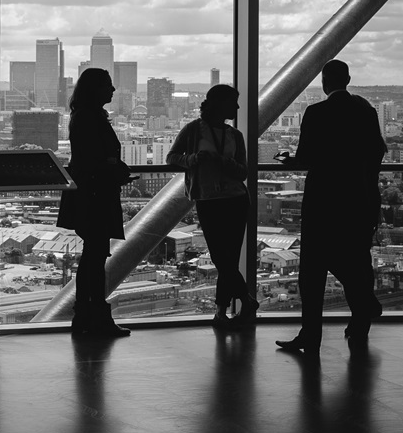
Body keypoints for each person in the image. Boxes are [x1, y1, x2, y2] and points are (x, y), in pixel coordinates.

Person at [276, 59, 388, 352]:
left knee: (313, 270)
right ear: (348, 79)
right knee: (356, 257)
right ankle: (361, 316)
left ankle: (311, 335)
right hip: (359, 200)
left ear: (325, 83)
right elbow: (377, 152)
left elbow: (306, 158)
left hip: (323, 201)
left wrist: (289, 161)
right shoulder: (366, 111)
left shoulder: (316, 112)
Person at [166, 84, 256, 328]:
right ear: (220, 104)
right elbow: (172, 157)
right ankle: (244, 301)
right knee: (222, 258)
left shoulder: (234, 135)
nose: (237, 107)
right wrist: (193, 159)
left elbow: (242, 171)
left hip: (233, 200)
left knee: (226, 259)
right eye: (233, 102)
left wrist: (220, 161)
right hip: (213, 200)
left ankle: (221, 312)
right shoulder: (194, 130)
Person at [56, 68, 134, 338]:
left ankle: (85, 315)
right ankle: (95, 316)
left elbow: (88, 158)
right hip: (95, 195)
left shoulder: (82, 116)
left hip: (88, 193)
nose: (113, 91)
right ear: (96, 89)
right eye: (108, 86)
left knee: (93, 257)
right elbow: (95, 159)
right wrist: (114, 168)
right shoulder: (91, 118)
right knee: (95, 257)